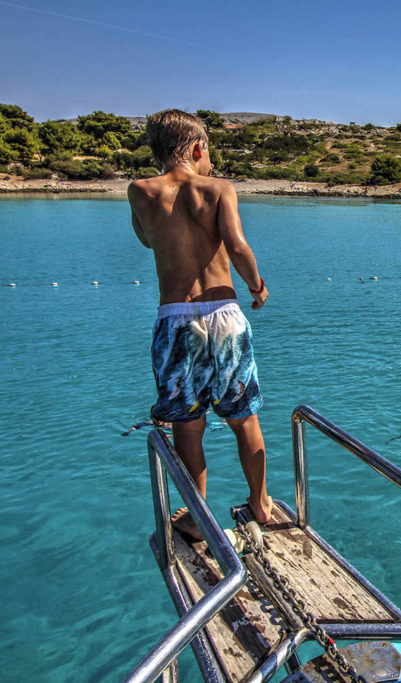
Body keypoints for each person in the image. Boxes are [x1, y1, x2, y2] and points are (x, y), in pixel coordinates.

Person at [128, 109, 273, 540]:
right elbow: (237, 244)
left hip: (176, 320)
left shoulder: (140, 191)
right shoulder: (219, 188)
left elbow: (145, 238)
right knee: (244, 419)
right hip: (224, 314)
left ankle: (195, 517)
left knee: (187, 427)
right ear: (197, 149)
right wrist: (257, 286)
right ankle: (260, 503)